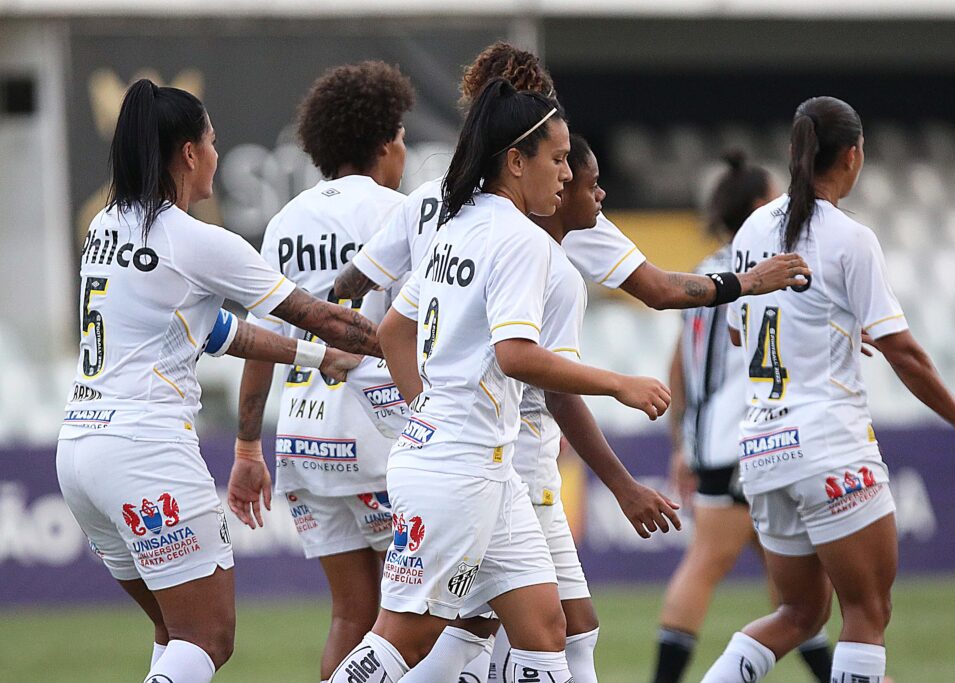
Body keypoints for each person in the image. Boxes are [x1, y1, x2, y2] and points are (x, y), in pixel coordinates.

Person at [328, 79, 671, 683]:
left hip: (479, 464)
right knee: (406, 636)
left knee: (546, 631)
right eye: (559, 159)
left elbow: (394, 333)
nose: (567, 175)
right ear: (517, 161)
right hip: (458, 467)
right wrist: (618, 383)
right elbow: (515, 356)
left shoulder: (458, 223)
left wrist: (425, 413)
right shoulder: (519, 239)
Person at [56, 78, 380, 683]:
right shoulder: (197, 240)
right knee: (209, 637)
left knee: (174, 631)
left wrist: (316, 361)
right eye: (211, 143)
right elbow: (321, 316)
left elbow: (217, 333)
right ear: (187, 153)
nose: (215, 155)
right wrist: (408, 346)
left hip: (81, 453)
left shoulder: (106, 226)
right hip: (145, 450)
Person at [699, 96, 955, 683]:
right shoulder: (849, 238)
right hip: (830, 446)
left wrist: (829, 323)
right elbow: (905, 353)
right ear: (854, 156)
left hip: (762, 449)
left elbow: (744, 339)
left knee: (799, 612)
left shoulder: (752, 231)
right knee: (866, 612)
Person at [334, 41, 809, 314]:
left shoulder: (427, 199)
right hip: (504, 433)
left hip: (426, 428)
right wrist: (746, 282)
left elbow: (348, 286)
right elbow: (659, 289)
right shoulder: (550, 207)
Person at [224, 62, 415, 683]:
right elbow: (414, 331)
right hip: (384, 438)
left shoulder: (284, 222)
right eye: (404, 139)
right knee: (417, 616)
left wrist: (249, 444)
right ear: (386, 142)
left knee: (350, 614)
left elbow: (261, 343)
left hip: (305, 441)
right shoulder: (401, 214)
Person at [651, 151, 832, 683]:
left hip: (714, 439)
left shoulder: (703, 274)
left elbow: (677, 364)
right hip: (745, 437)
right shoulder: (758, 274)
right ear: (757, 207)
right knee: (708, 562)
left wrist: (681, 442)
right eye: (775, 199)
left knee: (791, 583)